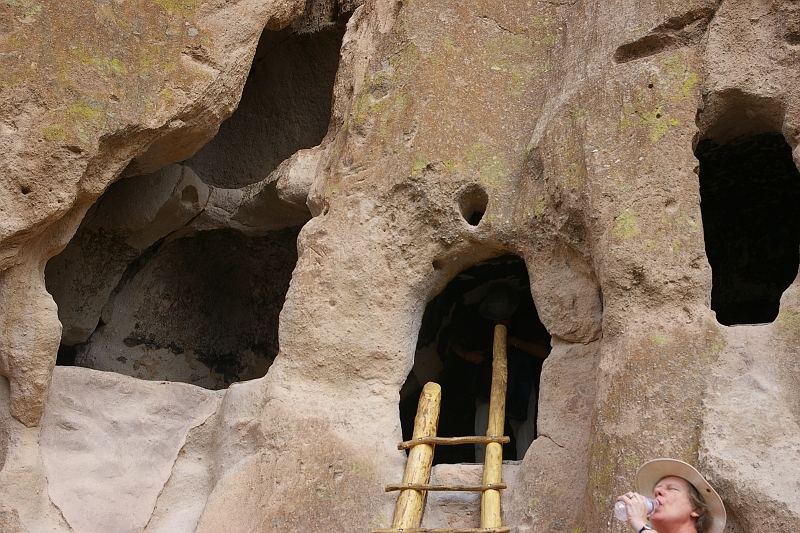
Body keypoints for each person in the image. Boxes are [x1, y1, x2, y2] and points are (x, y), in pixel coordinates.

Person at [451, 287, 550, 461]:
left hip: (522, 385)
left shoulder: (524, 322)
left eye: (503, 317)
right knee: (483, 425)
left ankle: (524, 465)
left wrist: (515, 342)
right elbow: (455, 343)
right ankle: (482, 465)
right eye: (495, 318)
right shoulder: (480, 325)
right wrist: (467, 355)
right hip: (488, 385)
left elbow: (544, 352)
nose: (498, 321)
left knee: (524, 428)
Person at [616, 458, 727, 533]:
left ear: (696, 509)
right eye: (655, 492)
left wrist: (639, 523)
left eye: (671, 488)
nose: (657, 491)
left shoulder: (641, 526)